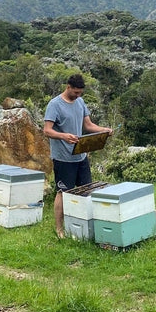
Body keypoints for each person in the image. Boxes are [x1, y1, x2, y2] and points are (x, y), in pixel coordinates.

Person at [43, 73, 111, 238]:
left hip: (80, 156)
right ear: (68, 87)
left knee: (87, 190)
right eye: (75, 92)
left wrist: (104, 130)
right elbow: (47, 130)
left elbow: (88, 125)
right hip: (63, 158)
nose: (78, 95)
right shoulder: (54, 105)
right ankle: (59, 229)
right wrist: (64, 136)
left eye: (80, 93)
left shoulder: (80, 102)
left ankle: (84, 228)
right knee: (63, 192)